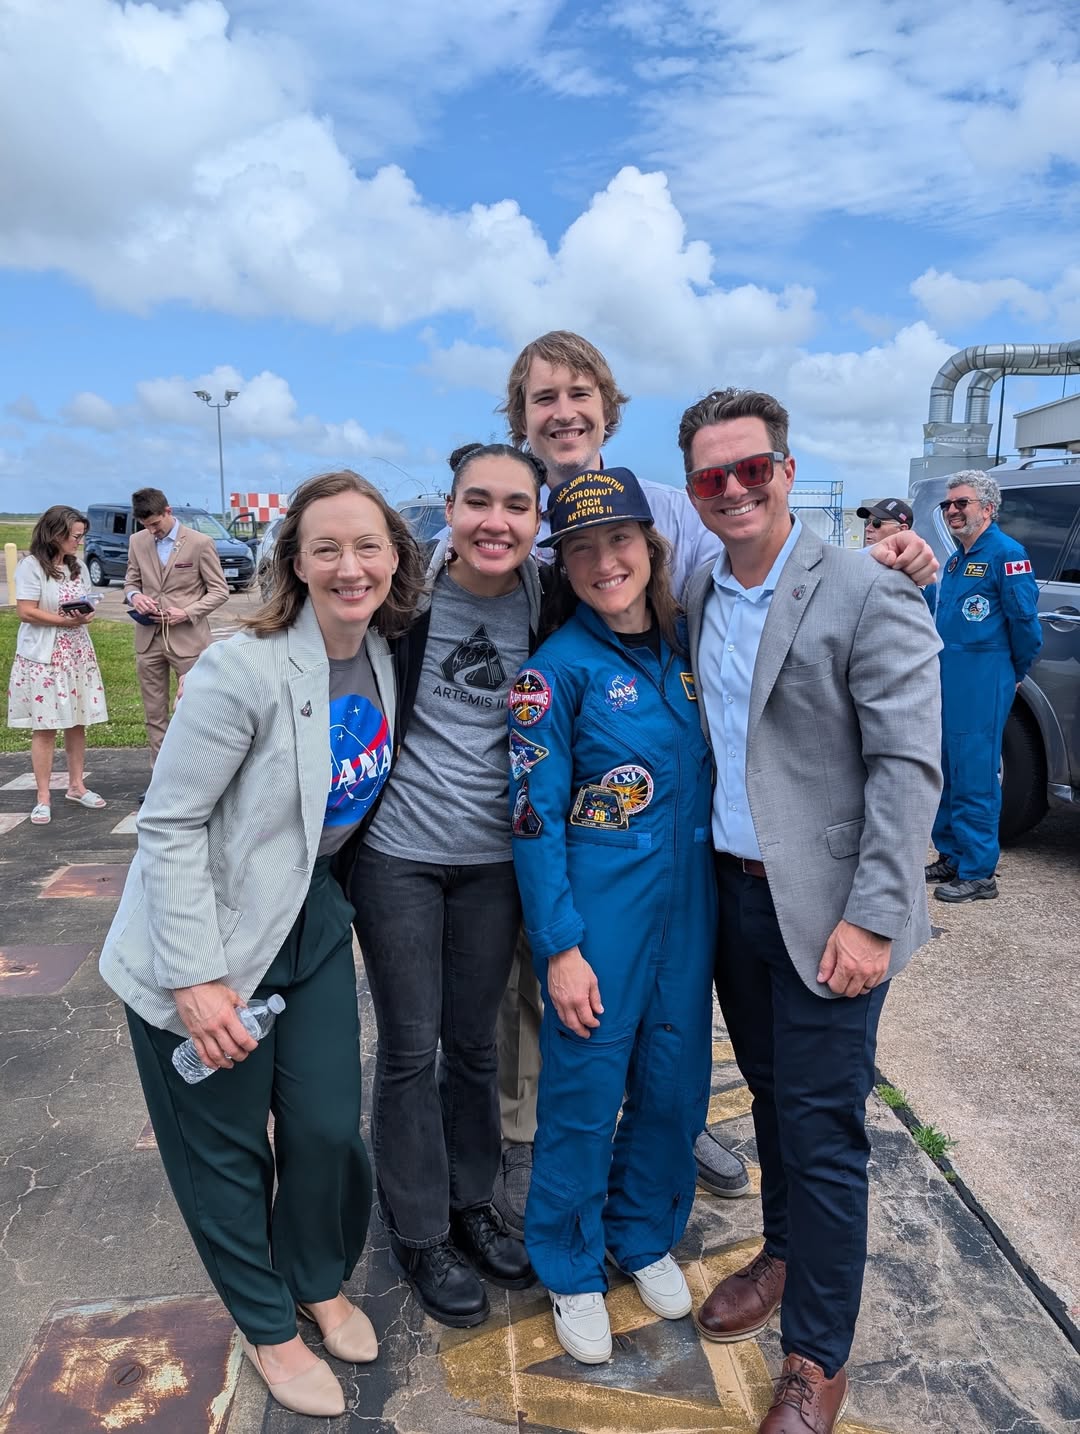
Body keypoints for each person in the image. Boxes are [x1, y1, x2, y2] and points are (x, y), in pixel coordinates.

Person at [492, 331, 940, 1234]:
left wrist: (891, 566)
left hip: (668, 833)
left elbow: (759, 580)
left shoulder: (673, 507)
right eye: (543, 398)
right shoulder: (500, 505)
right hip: (534, 807)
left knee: (671, 1027)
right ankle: (536, 1174)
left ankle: (666, 1145)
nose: (564, 411)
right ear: (521, 417)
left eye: (581, 392)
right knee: (549, 1018)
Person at [99, 472, 424, 1418]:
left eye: (367, 545)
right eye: (325, 547)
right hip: (201, 940)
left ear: (396, 557)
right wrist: (197, 981)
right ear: (294, 560)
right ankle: (271, 1327)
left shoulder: (382, 655)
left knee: (326, 1128)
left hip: (308, 923)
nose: (348, 565)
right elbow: (167, 827)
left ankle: (317, 1278)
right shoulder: (243, 669)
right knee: (226, 1153)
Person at [679, 388, 942, 1434]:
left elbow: (909, 764)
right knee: (776, 1099)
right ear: (696, 493)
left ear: (787, 471)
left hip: (833, 910)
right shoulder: (700, 588)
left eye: (753, 468)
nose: (735, 488)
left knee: (826, 1132)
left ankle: (816, 1359)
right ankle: (784, 1252)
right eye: (714, 476)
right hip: (734, 900)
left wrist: (875, 917)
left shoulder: (866, 589)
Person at [509, 467, 717, 1365]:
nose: (604, 562)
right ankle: (570, 1265)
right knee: (587, 1095)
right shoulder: (553, 674)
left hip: (689, 908)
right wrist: (559, 946)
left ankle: (640, 1235)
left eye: (619, 541)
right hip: (600, 918)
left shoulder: (685, 649)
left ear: (651, 545)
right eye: (582, 548)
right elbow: (532, 819)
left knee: (675, 1085)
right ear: (564, 563)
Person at [349, 443, 541, 1328]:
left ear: (537, 521)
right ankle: (420, 1230)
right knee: (410, 1049)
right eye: (477, 502)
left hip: (495, 864)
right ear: (450, 511)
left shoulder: (553, 599)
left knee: (475, 1048)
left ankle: (473, 1204)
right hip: (401, 856)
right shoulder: (404, 601)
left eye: (516, 505)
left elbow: (662, 592)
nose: (495, 521)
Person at [925, 470, 1042, 904]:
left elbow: (1025, 625)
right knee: (948, 768)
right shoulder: (956, 561)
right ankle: (952, 855)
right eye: (948, 505)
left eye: (962, 503)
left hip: (984, 675)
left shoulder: (1007, 555)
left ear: (987, 509)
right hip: (950, 675)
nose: (952, 511)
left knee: (975, 773)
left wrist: (1012, 672)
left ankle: (978, 871)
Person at [7, 506, 108, 823]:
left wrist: (86, 614)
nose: (79, 541)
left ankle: (77, 785)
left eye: (81, 536)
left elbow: (88, 601)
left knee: (77, 721)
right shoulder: (31, 566)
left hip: (77, 654)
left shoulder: (77, 566)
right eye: (75, 536)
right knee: (46, 725)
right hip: (44, 657)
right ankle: (43, 796)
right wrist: (62, 622)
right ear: (56, 534)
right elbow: (26, 611)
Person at [124, 487, 229, 774]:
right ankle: (160, 779)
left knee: (196, 712)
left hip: (189, 641)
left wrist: (187, 612)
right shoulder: (137, 542)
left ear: (168, 512)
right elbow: (130, 582)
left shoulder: (199, 542)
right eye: (146, 526)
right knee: (154, 714)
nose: (152, 531)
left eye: (156, 524)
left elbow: (219, 591)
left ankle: (200, 776)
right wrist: (136, 597)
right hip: (148, 640)